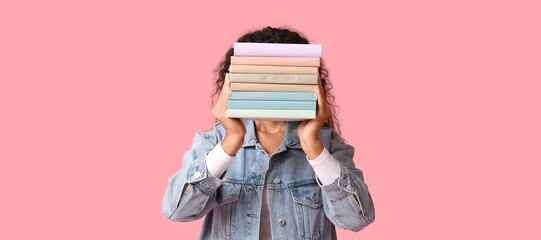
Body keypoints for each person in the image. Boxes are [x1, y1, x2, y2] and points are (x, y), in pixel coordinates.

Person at [161, 26, 375, 240]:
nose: (272, 85)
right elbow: (177, 210)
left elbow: (356, 219)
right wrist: (232, 140)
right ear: (232, 81)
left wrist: (313, 146)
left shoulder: (327, 144)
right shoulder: (213, 142)